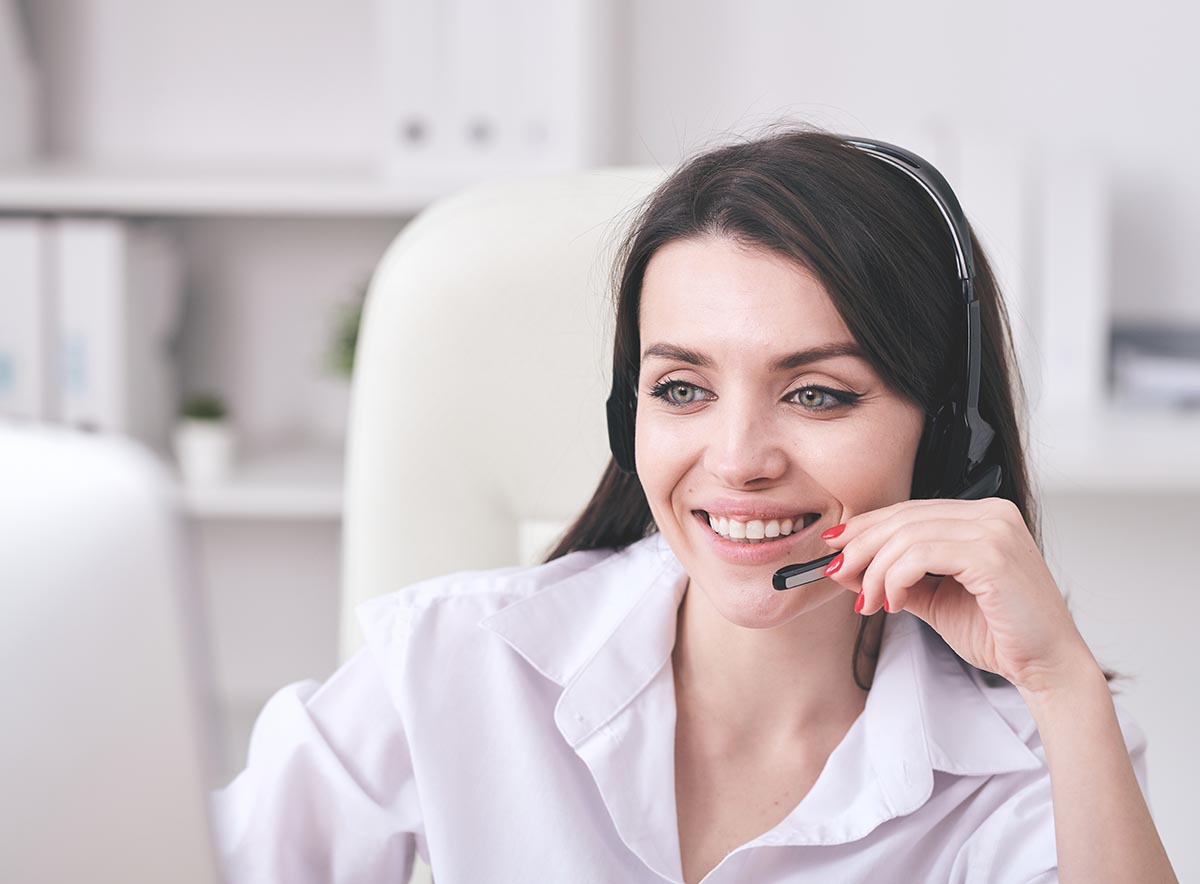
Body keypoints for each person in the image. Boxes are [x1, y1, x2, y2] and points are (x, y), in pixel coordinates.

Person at [210, 128, 1178, 883]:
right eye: (681, 389)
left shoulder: (1030, 748)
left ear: (948, 432)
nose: (738, 460)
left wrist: (1064, 686)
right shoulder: (454, 661)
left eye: (818, 393)